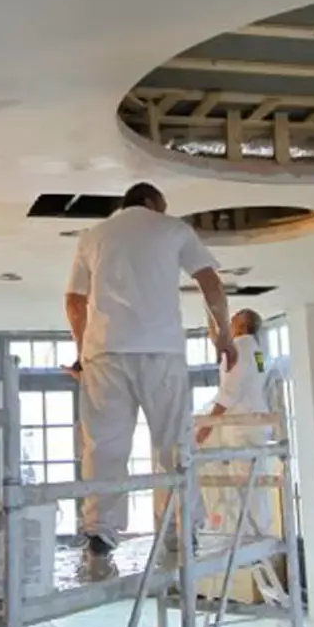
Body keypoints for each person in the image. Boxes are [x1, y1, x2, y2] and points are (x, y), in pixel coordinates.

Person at [64, 182, 234, 567]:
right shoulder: (172, 228)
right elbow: (210, 281)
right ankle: (182, 527)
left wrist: (83, 353)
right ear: (153, 203)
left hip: (105, 353)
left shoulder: (92, 236)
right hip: (162, 351)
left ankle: (100, 535)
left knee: (104, 447)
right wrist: (223, 334)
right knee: (174, 443)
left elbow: (74, 301)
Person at [194, 308, 279, 536]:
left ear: (241, 327)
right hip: (256, 423)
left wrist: (207, 426)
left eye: (232, 323)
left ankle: (243, 533)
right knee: (253, 482)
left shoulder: (239, 349)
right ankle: (255, 530)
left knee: (242, 482)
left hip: (241, 425)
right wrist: (211, 314)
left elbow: (229, 392)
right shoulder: (258, 351)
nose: (229, 327)